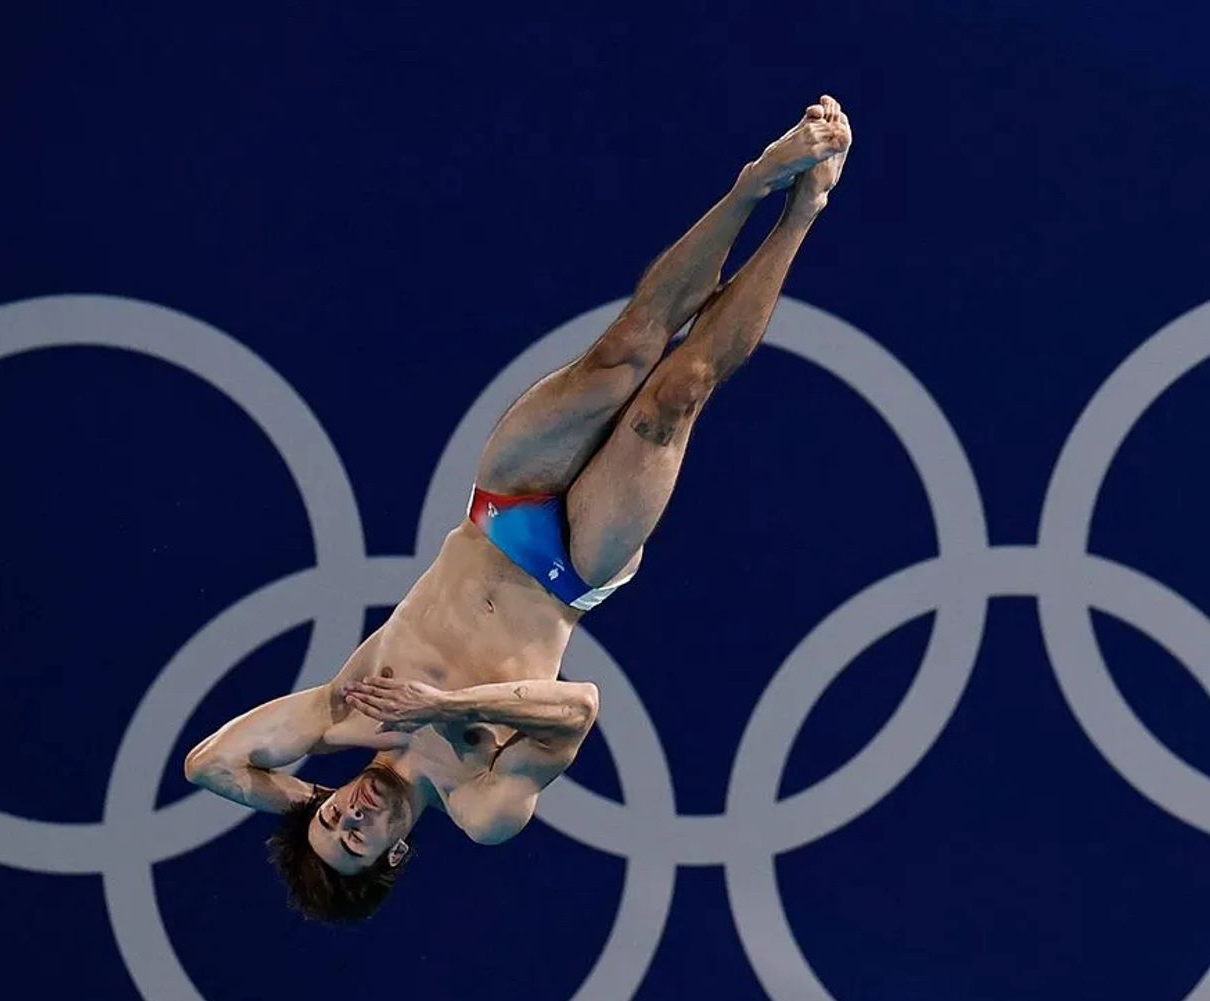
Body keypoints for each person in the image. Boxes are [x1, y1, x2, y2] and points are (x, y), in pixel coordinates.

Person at [184, 96, 853, 921]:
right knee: (675, 394)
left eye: (330, 818)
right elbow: (579, 710)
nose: (348, 816)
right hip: (575, 567)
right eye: (355, 838)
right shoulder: (479, 807)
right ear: (395, 853)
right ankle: (803, 209)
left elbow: (210, 766)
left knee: (626, 351)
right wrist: (447, 711)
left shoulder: (341, 716)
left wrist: (299, 803)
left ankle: (755, 182)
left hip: (498, 510)